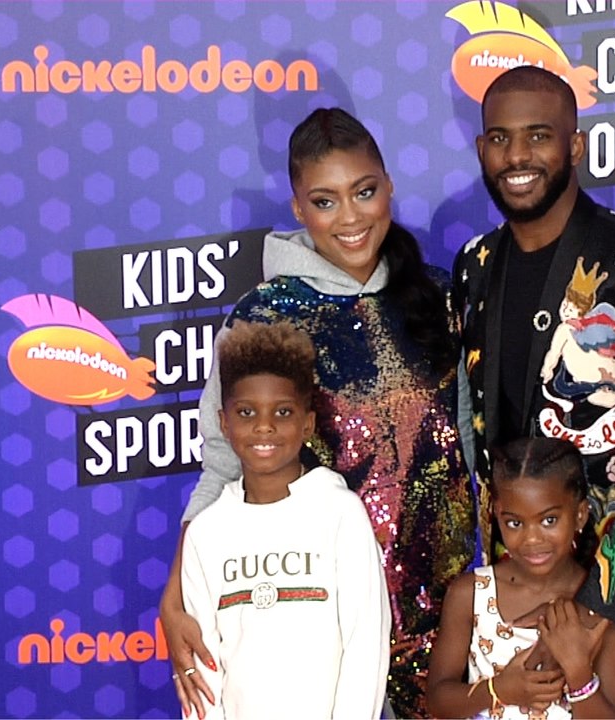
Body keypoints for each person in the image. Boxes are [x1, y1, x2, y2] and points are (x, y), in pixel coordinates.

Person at [161, 107, 477, 719]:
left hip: (440, 614)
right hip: (313, 619)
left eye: (364, 192)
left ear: (389, 186)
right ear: (299, 208)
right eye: (325, 201)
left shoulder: (439, 297)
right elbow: (221, 466)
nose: (351, 217)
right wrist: (176, 594)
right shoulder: (263, 316)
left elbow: (468, 444)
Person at [452, 66, 615, 718]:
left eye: (538, 136)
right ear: (482, 148)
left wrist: (595, 613)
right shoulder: (474, 267)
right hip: (524, 592)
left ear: (574, 146)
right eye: (500, 138)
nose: (517, 156)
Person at [180, 321, 390, 718]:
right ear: (224, 423)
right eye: (246, 412)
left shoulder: (340, 514)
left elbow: (365, 643)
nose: (264, 426)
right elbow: (204, 672)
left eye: (282, 412)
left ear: (307, 424)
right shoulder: (206, 533)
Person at [427, 437, 615, 719]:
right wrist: (499, 689)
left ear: (580, 515)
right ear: (496, 515)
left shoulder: (605, 607)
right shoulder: (470, 594)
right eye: (514, 523)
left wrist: (578, 671)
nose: (532, 539)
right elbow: (437, 701)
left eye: (549, 520)